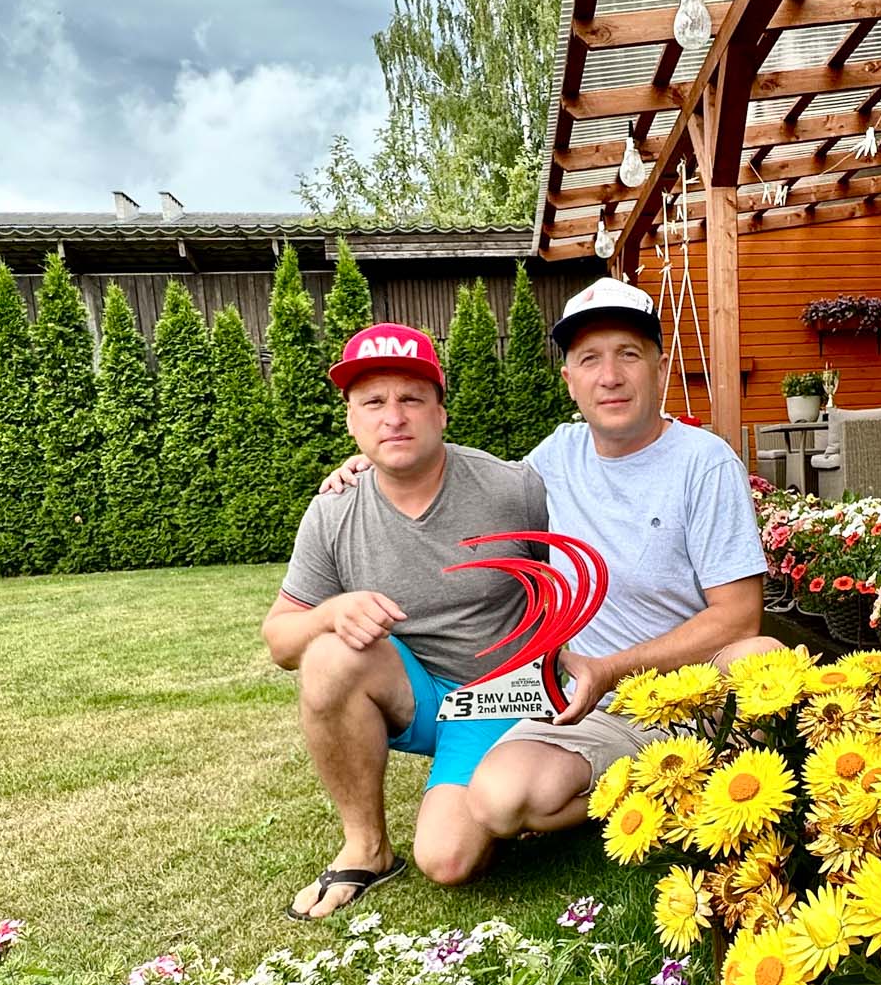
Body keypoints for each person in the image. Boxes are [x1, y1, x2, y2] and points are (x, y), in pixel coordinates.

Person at [323, 278, 779, 884]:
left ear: (660, 368)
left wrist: (612, 667)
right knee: (498, 798)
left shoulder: (704, 461)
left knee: (761, 657)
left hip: (691, 691)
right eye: (589, 359)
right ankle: (662, 788)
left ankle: (710, 783)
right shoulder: (551, 461)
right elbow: (457, 474)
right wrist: (375, 461)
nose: (609, 376)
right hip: (592, 708)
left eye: (628, 354)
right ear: (569, 380)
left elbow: (738, 616)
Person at [262, 323, 548, 918]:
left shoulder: (511, 488)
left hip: (503, 697)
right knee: (328, 652)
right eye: (373, 402)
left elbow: (568, 587)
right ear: (350, 420)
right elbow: (280, 641)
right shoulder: (333, 510)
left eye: (411, 398)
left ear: (441, 413)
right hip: (415, 696)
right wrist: (332, 611)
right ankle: (366, 846)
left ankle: (516, 789)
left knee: (446, 861)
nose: (393, 416)